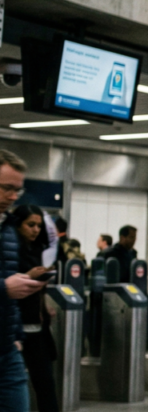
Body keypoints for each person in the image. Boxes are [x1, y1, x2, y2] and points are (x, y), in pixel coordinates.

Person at [0, 150, 47, 412]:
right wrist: (5, 287)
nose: (13, 196)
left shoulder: (8, 229)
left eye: (17, 189)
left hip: (7, 349)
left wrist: (16, 335)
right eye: (7, 188)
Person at [5, 205, 58, 412]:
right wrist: (29, 276)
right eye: (30, 225)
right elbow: (9, 286)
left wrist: (45, 307)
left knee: (45, 381)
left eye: (38, 225)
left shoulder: (37, 250)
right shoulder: (10, 251)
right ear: (18, 225)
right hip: (16, 328)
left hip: (37, 326)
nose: (35, 230)